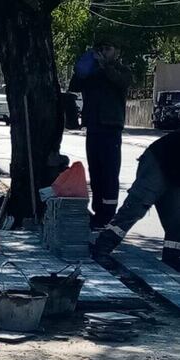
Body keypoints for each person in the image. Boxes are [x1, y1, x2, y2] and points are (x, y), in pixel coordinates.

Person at [92, 130, 180, 272]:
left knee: (176, 220)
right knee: (136, 207)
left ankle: (171, 262)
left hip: (175, 172)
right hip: (158, 161)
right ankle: (102, 247)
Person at [69, 39, 131, 229]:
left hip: (111, 128)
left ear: (117, 52)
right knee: (95, 172)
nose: (103, 52)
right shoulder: (93, 73)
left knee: (109, 173)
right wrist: (82, 66)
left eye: (108, 49)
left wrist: (104, 65)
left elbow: (121, 82)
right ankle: (97, 213)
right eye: (101, 49)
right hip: (94, 127)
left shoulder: (122, 71)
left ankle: (108, 215)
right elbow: (75, 86)